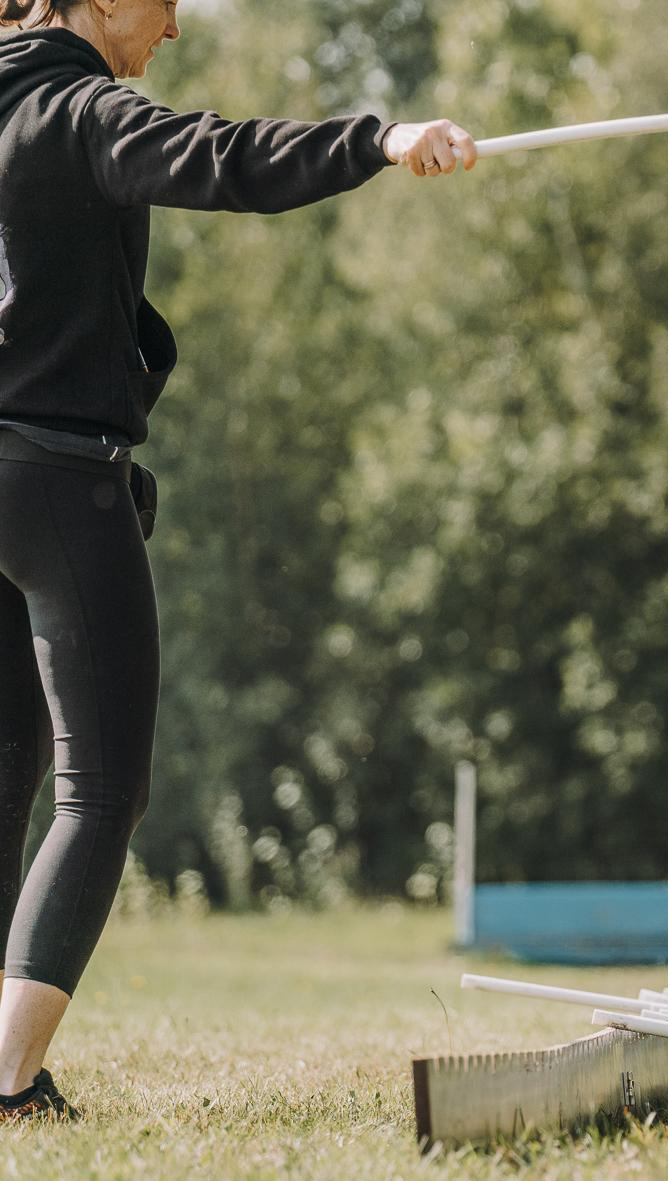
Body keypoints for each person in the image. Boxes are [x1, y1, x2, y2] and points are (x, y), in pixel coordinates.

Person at [0, 0, 475, 1120]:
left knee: (8, 770)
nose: (169, 31)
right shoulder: (76, 108)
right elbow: (218, 155)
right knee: (101, 786)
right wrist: (379, 138)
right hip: (61, 477)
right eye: (161, 7)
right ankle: (8, 1081)